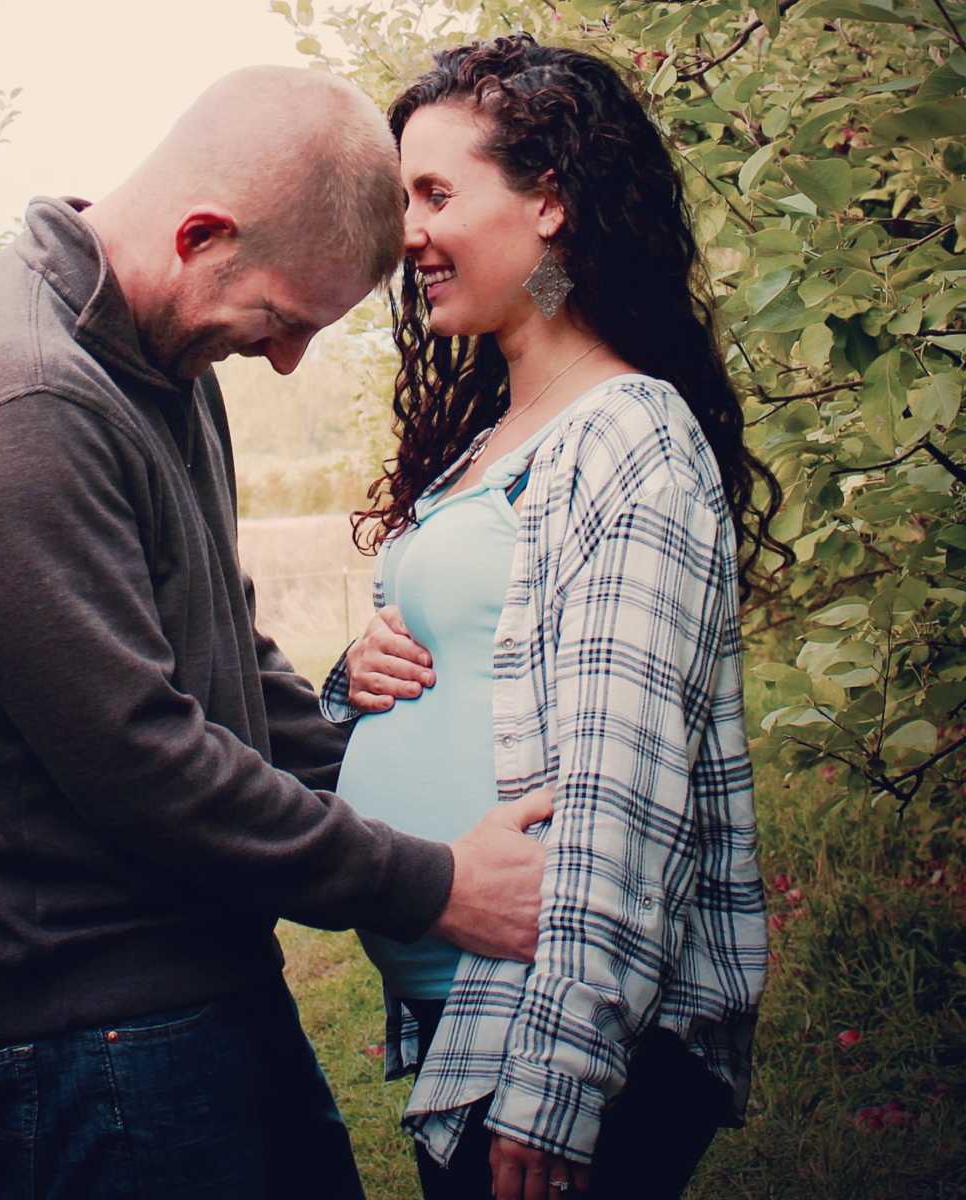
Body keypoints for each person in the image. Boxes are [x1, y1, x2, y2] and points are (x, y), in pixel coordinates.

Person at [0, 66, 553, 1200]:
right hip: (92, 1033)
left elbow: (222, 653)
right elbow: (148, 768)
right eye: (284, 322)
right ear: (200, 236)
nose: (282, 360)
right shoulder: (18, 410)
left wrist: (384, 767)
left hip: (186, 991)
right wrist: (427, 882)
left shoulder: (151, 360)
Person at [320, 35, 785, 1200]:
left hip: (558, 1036)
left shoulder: (628, 434)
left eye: (435, 195)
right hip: (467, 1014)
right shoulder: (492, 443)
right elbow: (484, 664)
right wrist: (359, 677)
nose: (406, 234)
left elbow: (625, 790)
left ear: (551, 205)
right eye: (398, 199)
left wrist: (561, 1081)